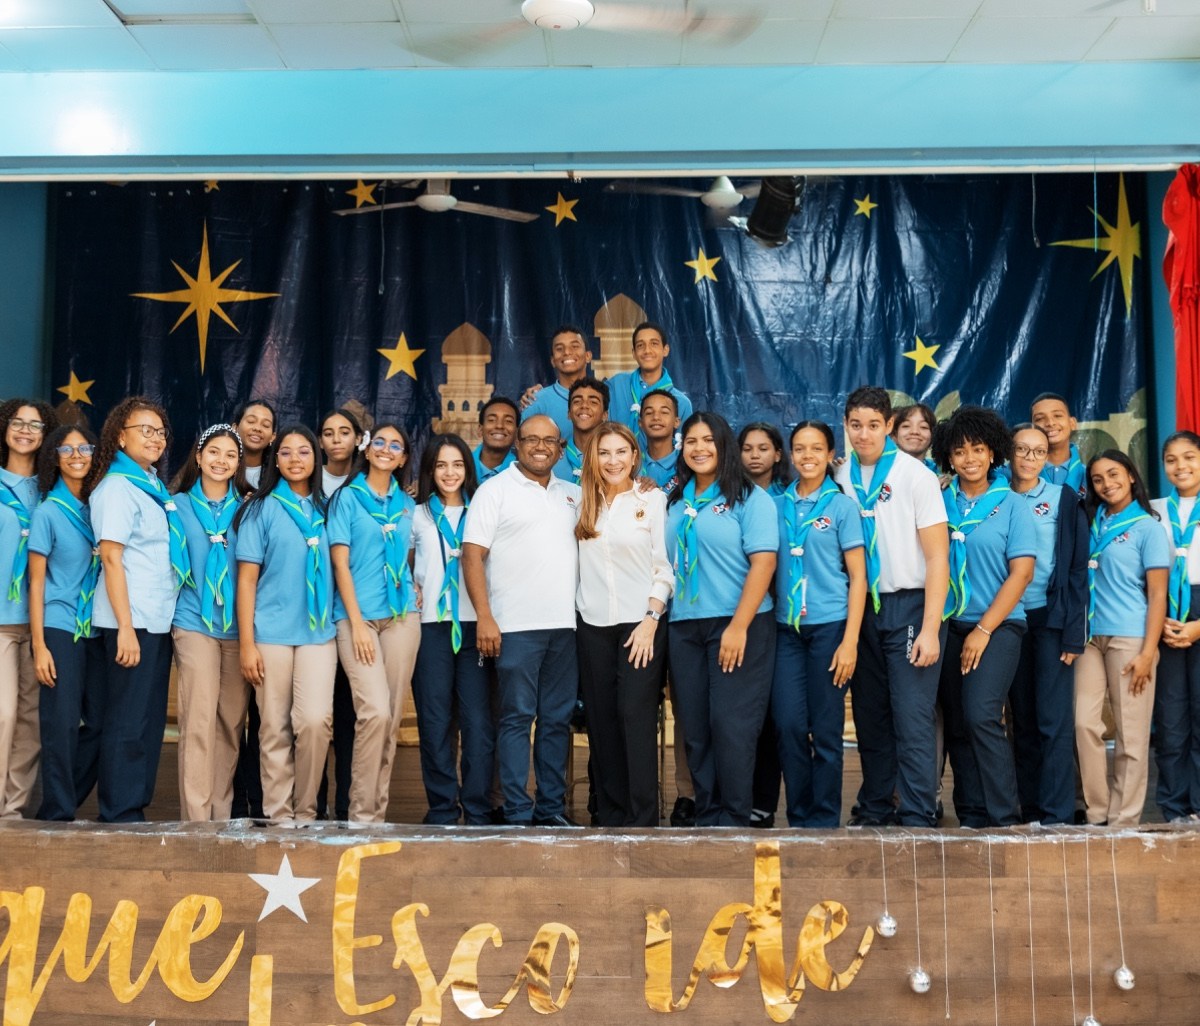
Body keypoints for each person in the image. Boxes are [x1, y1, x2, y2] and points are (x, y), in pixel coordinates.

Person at [834, 386, 949, 828]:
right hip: (860, 609)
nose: (864, 434)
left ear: (890, 427)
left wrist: (930, 627)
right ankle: (877, 806)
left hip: (908, 606)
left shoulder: (913, 475)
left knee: (912, 716)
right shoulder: (840, 478)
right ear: (846, 425)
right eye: (856, 425)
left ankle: (919, 812)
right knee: (870, 717)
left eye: (874, 426)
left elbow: (938, 556)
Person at [462, 414, 582, 826]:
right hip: (513, 627)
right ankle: (516, 810)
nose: (540, 447)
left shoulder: (574, 494)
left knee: (556, 720)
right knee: (516, 719)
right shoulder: (493, 491)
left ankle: (550, 810)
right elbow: (472, 555)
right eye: (531, 439)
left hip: (566, 628)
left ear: (561, 449)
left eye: (549, 441)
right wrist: (485, 618)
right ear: (518, 444)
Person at [666, 412, 778, 826]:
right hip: (684, 626)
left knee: (731, 727)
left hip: (739, 625)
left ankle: (734, 818)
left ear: (723, 445)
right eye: (691, 441)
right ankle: (708, 815)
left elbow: (764, 564)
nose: (699, 448)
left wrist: (738, 626)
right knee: (695, 728)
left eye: (708, 440)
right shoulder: (676, 502)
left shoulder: (750, 498)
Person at [931, 406, 1035, 828]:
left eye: (977, 449)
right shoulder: (938, 500)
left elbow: (1022, 573)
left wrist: (984, 629)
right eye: (959, 452)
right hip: (947, 624)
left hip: (999, 626)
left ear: (993, 453)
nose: (969, 458)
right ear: (948, 458)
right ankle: (972, 813)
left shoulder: (1012, 504)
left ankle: (1004, 817)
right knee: (956, 723)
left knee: (981, 714)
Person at [84, 396, 181, 823]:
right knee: (126, 721)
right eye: (145, 430)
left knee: (145, 720)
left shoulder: (152, 485)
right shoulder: (117, 487)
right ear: (120, 437)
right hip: (130, 623)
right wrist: (125, 626)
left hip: (155, 622)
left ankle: (133, 805)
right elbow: (111, 558)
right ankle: (120, 811)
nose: (155, 438)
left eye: (160, 432)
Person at [234, 425, 338, 823]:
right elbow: (246, 579)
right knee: (273, 727)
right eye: (287, 453)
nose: (296, 459)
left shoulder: (329, 509)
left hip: (318, 635)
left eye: (304, 452)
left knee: (314, 722)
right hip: (270, 635)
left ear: (316, 459)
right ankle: (278, 816)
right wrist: (247, 644)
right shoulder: (260, 509)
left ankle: (307, 810)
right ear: (276, 460)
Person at [575, 422, 673, 826]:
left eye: (621, 452)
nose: (612, 460)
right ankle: (611, 813)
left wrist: (651, 618)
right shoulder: (579, 502)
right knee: (601, 719)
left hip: (641, 625)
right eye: (604, 452)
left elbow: (664, 568)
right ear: (592, 458)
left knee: (634, 714)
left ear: (635, 456)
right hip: (593, 624)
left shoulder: (652, 500)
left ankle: (642, 817)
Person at [772, 421, 865, 828]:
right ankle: (799, 816)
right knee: (789, 724)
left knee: (826, 729)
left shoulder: (842, 507)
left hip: (829, 627)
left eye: (817, 449)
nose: (808, 456)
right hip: (786, 630)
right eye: (800, 449)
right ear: (790, 455)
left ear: (831, 456)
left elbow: (859, 578)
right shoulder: (775, 505)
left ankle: (825, 819)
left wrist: (850, 642)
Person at [327, 421, 421, 824]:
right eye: (379, 442)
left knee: (392, 719)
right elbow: (340, 564)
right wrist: (358, 622)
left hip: (401, 619)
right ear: (366, 450)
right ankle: (359, 816)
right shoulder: (347, 498)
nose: (386, 449)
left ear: (402, 459)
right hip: (357, 619)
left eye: (395, 445)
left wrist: (413, 585)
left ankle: (375, 815)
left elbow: (409, 556)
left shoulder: (408, 506)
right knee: (374, 713)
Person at [1076, 450, 1168, 827]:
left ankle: (1124, 818)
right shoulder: (1090, 520)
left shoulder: (1148, 527)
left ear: (1131, 475)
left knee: (1131, 733)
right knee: (1083, 723)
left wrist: (1149, 652)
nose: (1106, 484)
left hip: (1130, 637)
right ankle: (1098, 813)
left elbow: (1158, 594)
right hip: (1087, 637)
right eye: (1098, 479)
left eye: (1113, 474)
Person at [412, 433, 495, 825]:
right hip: (432, 627)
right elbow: (402, 562)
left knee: (478, 723)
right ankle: (443, 807)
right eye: (441, 465)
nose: (449, 472)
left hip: (476, 625)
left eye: (458, 464)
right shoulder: (416, 515)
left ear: (469, 468)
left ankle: (477, 808)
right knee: (435, 720)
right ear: (430, 469)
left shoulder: (484, 510)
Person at [1007, 422, 1088, 825]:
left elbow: (1076, 571)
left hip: (1050, 620)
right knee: (1020, 720)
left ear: (1047, 456)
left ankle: (1057, 814)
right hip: (1007, 619)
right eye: (1022, 449)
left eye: (1038, 451)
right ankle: (1031, 808)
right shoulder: (996, 495)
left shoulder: (1063, 498)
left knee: (1053, 721)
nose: (1029, 458)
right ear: (1009, 453)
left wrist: (1074, 631)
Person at [169, 423, 248, 821]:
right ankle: (196, 822)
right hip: (193, 621)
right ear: (198, 457)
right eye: (213, 452)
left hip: (238, 629)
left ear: (239, 464)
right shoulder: (175, 505)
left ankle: (221, 815)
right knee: (198, 720)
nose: (221, 461)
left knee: (231, 723)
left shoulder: (249, 507)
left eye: (230, 455)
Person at [29, 423, 102, 821]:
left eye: (84, 448)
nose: (77, 456)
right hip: (59, 626)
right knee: (59, 722)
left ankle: (62, 802)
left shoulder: (101, 505)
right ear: (53, 458)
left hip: (98, 626)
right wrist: (39, 645)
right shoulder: (47, 512)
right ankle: (58, 813)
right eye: (67, 449)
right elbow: (36, 584)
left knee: (100, 721)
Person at [1, 398, 58, 819]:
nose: (25, 430)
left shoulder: (50, 490)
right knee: (2, 715)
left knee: (31, 722)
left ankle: (13, 808)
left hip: (40, 622)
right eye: (17, 423)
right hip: (1, 621)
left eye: (35, 425)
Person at [318, 407, 366, 820]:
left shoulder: (366, 487)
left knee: (350, 714)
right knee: (313, 719)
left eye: (344, 432)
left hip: (353, 616)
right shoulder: (302, 482)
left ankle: (348, 807)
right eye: (329, 433)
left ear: (358, 440)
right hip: (310, 616)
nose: (336, 439)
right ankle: (312, 806)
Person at [1152, 431, 1200, 823]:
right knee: (1170, 718)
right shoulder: (1153, 511)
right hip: (1164, 613)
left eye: (1189, 457)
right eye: (1171, 459)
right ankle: (1173, 805)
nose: (1180, 466)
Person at [606, 322, 693, 442]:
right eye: (640, 345)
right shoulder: (616, 385)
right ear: (634, 353)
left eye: (654, 344)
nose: (647, 350)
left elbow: (682, 448)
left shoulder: (681, 403)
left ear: (665, 350)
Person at [521, 325, 593, 439]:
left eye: (574, 346)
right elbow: (520, 444)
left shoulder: (604, 396)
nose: (567, 352)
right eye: (559, 348)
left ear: (588, 356)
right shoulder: (536, 401)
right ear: (552, 361)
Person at [553, 377, 609, 482]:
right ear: (569, 413)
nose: (584, 406)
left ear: (605, 415)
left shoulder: (615, 460)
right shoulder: (553, 458)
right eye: (577, 401)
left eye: (593, 402)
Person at [1031, 392, 1086, 496]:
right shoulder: (1016, 474)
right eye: (1039, 419)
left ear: (1072, 423)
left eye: (1057, 416)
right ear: (1031, 428)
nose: (1050, 423)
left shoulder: (1090, 476)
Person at [639, 389, 681, 491]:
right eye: (649, 413)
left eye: (664, 412)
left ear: (676, 422)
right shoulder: (631, 464)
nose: (656, 417)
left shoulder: (687, 463)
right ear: (640, 423)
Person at [232, 399, 277, 493]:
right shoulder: (220, 466)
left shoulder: (277, 475)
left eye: (265, 425)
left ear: (272, 437)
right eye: (251, 421)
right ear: (235, 428)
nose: (257, 428)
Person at [739, 421, 791, 497]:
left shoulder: (789, 494)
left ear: (777, 455)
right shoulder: (727, 494)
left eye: (763, 449)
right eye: (747, 449)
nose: (755, 455)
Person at [474, 396, 518, 484]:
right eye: (491, 420)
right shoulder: (461, 466)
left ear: (517, 433)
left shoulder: (522, 471)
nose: (499, 426)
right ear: (480, 429)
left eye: (508, 421)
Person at [891, 403, 938, 472]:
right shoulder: (880, 471)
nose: (915, 432)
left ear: (932, 438)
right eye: (906, 426)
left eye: (923, 427)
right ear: (894, 436)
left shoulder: (938, 476)